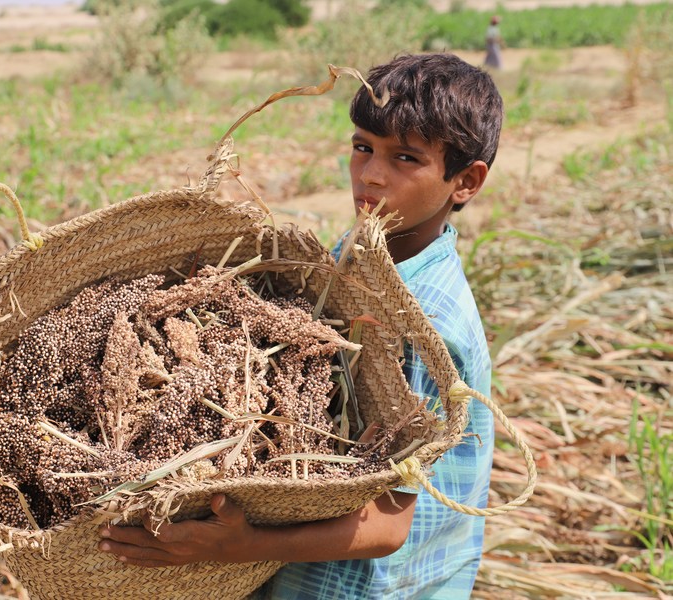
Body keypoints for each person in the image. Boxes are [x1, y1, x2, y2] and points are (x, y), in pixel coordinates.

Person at [97, 52, 502, 599]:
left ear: (466, 181)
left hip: (367, 584)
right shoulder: (363, 250)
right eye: (363, 147)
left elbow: (386, 527)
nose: (371, 175)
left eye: (406, 158)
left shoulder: (422, 323)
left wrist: (235, 545)